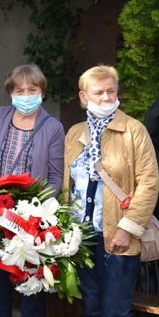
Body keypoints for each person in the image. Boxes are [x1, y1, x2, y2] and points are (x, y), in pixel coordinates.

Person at [0, 63, 65, 317]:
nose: (26, 95)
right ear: (10, 93)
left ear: (42, 92)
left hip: (30, 225)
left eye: (33, 89)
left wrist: (36, 210)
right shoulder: (0, 117)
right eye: (20, 90)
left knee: (31, 296)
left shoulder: (52, 127)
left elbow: (55, 178)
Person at [65, 65, 158, 317]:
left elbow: (148, 184)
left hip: (117, 235)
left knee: (115, 310)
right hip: (81, 238)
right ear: (84, 97)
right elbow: (68, 185)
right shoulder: (74, 133)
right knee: (90, 307)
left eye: (111, 91)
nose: (106, 97)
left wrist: (127, 228)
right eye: (99, 93)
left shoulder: (134, 130)